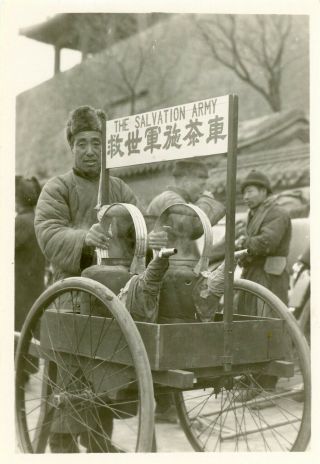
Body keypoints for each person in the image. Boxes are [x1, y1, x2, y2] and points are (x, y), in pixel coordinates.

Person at [34, 105, 165, 452]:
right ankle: (62, 439)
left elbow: (141, 229)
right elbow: (47, 232)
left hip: (116, 291)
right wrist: (83, 238)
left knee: (109, 368)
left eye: (97, 143)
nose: (90, 151)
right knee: (76, 364)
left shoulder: (120, 188)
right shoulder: (57, 188)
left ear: (107, 147)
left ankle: (97, 440)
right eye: (82, 143)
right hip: (72, 290)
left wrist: (150, 240)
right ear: (71, 147)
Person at [146, 159, 226, 423]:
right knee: (173, 339)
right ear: (184, 180)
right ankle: (167, 407)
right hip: (169, 276)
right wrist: (209, 202)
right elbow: (191, 228)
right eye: (200, 182)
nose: (205, 188)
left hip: (176, 276)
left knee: (175, 340)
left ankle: (167, 406)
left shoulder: (176, 200)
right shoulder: (169, 200)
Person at [235, 169, 292, 399]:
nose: (245, 196)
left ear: (263, 191)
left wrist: (243, 243)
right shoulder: (255, 212)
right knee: (250, 323)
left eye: (249, 191)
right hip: (254, 273)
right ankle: (252, 376)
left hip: (270, 277)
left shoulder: (277, 213)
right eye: (244, 193)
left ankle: (266, 382)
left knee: (268, 326)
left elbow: (267, 242)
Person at [15, 176, 45, 379]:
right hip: (34, 283)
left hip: (20, 285)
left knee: (18, 325)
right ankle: (27, 368)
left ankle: (21, 372)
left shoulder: (21, 222)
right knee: (30, 323)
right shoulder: (36, 220)